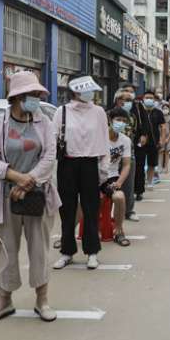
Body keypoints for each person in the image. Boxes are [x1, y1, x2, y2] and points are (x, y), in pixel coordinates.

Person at [0, 72, 61, 324]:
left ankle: (42, 299)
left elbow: (49, 157)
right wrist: (16, 178)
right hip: (6, 197)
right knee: (6, 249)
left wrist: (28, 182)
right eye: (34, 95)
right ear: (18, 97)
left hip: (37, 196)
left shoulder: (44, 123)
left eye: (39, 96)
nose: (37, 100)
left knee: (39, 249)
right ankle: (4, 301)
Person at [53, 76, 109, 270]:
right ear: (75, 90)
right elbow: (54, 139)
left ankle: (92, 251)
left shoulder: (99, 112)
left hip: (90, 164)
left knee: (90, 208)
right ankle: (67, 251)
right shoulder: (62, 111)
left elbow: (104, 141)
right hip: (67, 164)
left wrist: (104, 170)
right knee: (66, 209)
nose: (89, 93)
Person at [101, 107, 133, 248]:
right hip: (95, 176)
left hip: (112, 177)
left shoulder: (125, 140)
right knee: (81, 202)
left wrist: (119, 182)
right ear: (110, 120)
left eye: (124, 121)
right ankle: (68, 235)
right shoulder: (98, 137)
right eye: (118, 120)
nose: (121, 123)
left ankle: (118, 231)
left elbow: (126, 165)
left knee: (119, 197)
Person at [134, 90, 167, 200]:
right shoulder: (139, 112)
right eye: (147, 97)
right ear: (143, 99)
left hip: (154, 141)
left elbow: (163, 127)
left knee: (152, 163)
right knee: (140, 162)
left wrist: (162, 140)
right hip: (141, 142)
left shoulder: (158, 112)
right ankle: (140, 182)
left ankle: (149, 181)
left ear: (154, 100)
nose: (149, 99)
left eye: (151, 98)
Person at [114, 88, 140, 222]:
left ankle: (129, 211)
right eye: (126, 100)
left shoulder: (133, 117)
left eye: (131, 100)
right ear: (118, 101)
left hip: (129, 154)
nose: (129, 103)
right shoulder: (109, 115)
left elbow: (134, 134)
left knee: (129, 185)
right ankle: (112, 211)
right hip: (112, 155)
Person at [161, 102, 170, 169]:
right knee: (161, 151)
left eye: (166, 108)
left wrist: (168, 138)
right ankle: (161, 166)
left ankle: (166, 167)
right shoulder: (160, 117)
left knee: (167, 152)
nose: (165, 110)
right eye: (163, 108)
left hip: (168, 137)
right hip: (161, 137)